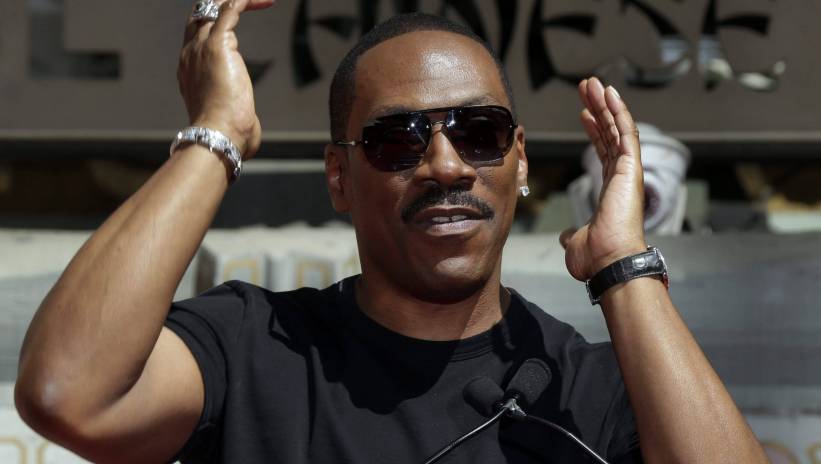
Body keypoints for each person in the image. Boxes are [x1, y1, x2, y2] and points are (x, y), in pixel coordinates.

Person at [14, 1, 767, 463]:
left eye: (479, 132)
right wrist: (218, 134)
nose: (445, 164)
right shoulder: (253, 347)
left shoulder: (588, 388)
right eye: (396, 140)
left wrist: (623, 267)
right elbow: (68, 394)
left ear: (518, 161)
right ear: (339, 176)